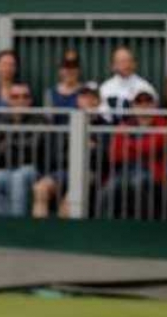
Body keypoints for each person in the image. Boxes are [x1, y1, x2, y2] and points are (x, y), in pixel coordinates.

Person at [33, 83, 109, 218]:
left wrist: (93, 150)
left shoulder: (105, 126)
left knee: (70, 200)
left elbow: (104, 158)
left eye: (92, 97)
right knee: (41, 189)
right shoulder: (66, 124)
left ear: (98, 101)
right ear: (78, 100)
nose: (87, 100)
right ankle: (39, 233)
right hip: (64, 171)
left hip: (90, 173)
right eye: (83, 97)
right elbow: (56, 154)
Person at [98, 87, 167, 218]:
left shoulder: (163, 124)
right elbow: (115, 155)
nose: (144, 106)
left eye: (148, 102)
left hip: (151, 170)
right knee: (109, 188)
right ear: (133, 106)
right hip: (125, 169)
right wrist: (139, 147)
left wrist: (129, 144)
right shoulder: (125, 124)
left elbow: (153, 146)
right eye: (139, 102)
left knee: (137, 183)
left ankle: (144, 225)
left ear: (155, 105)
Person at [0, 82, 47, 216]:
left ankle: (18, 221)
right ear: (9, 100)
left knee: (19, 177)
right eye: (15, 97)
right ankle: (8, 220)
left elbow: (34, 145)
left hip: (32, 168)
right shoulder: (2, 120)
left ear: (30, 100)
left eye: (24, 96)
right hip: (6, 169)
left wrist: (8, 142)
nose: (20, 101)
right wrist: (14, 144)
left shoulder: (40, 119)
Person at [99, 47, 157, 121]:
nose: (126, 65)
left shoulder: (145, 87)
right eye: (122, 61)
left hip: (135, 130)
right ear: (113, 66)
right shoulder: (105, 87)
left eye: (129, 61)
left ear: (135, 64)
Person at [43, 50, 83, 124]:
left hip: (79, 134)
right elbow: (47, 120)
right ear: (60, 70)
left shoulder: (85, 92)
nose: (70, 70)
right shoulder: (50, 93)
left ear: (79, 70)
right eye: (66, 66)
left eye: (74, 66)